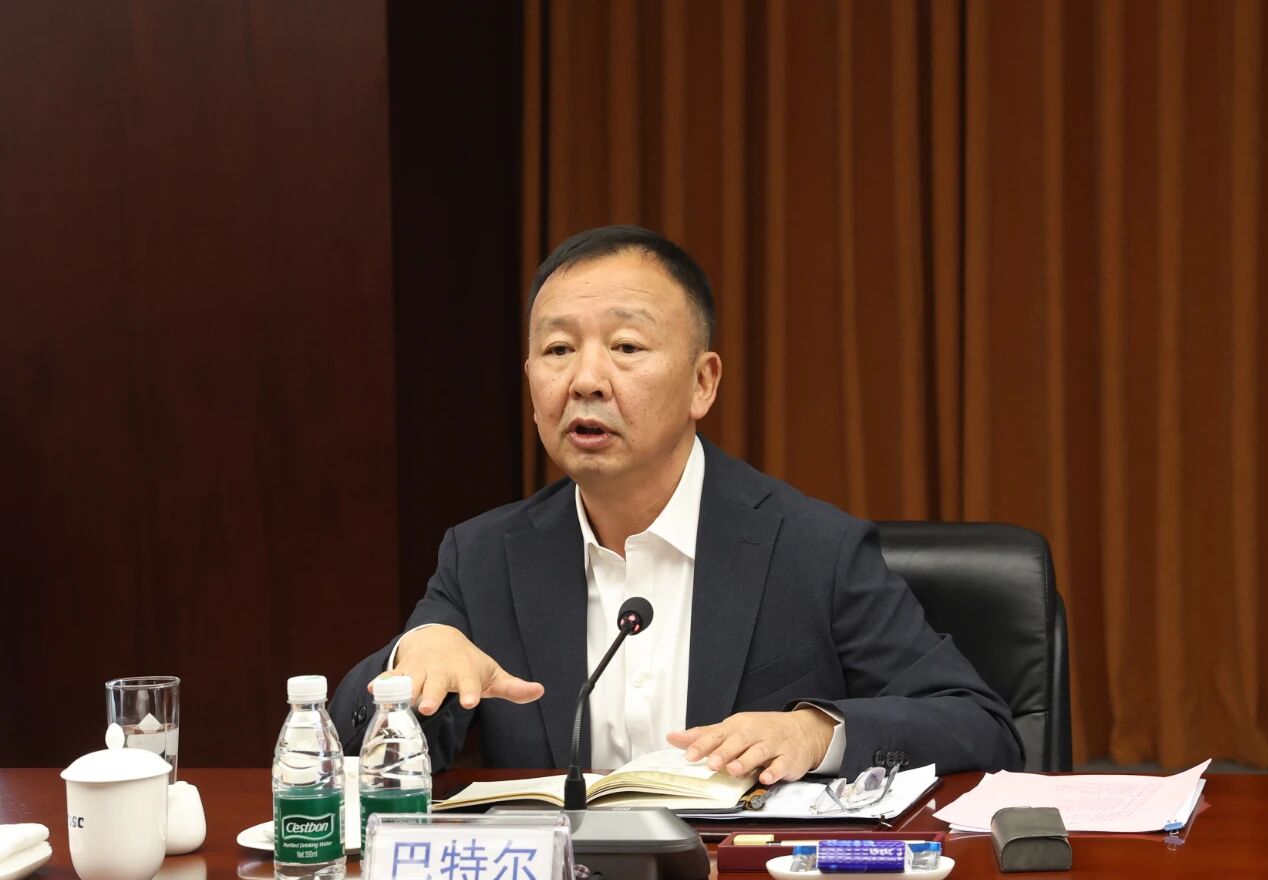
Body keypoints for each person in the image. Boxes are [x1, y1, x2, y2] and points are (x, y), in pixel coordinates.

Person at [331, 226, 1023, 781]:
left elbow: (979, 724)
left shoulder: (813, 549)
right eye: (558, 349)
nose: (586, 379)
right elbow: (356, 758)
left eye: (626, 346)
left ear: (702, 383)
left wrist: (817, 732)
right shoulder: (482, 558)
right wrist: (408, 662)